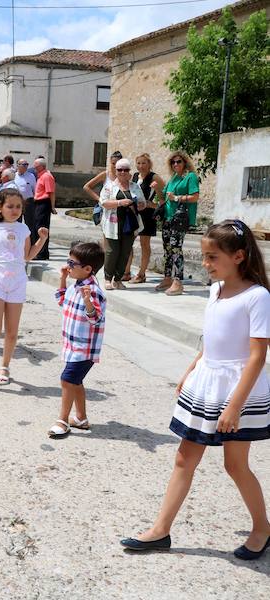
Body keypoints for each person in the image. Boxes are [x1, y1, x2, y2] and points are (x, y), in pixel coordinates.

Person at [121, 220, 270, 560]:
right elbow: (211, 339)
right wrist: (191, 369)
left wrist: (234, 406)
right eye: (203, 256)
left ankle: (262, 528)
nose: (205, 264)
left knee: (235, 465)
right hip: (207, 381)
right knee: (184, 458)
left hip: (238, 389)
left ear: (239, 256)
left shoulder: (257, 296)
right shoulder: (216, 290)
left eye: (212, 257)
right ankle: (160, 531)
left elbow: (258, 355)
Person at [0, 189, 50, 394]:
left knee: (12, 331)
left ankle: (4, 367)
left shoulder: (24, 229)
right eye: (10, 206)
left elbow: (28, 256)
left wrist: (41, 239)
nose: (14, 210)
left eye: (18, 207)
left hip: (17, 281)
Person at [48, 242, 107, 439]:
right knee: (76, 381)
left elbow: (95, 318)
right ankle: (81, 418)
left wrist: (88, 300)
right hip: (72, 346)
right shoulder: (77, 286)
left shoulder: (92, 291)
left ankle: (62, 421)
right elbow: (62, 300)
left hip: (84, 349)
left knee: (67, 380)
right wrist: (63, 279)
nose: (68, 266)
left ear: (88, 269)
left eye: (71, 263)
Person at [156, 151, 200, 296]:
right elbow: (164, 196)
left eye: (179, 161)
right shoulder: (173, 178)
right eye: (173, 162)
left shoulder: (190, 177)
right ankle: (167, 278)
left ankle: (178, 282)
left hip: (180, 219)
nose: (176, 164)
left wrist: (177, 198)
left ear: (185, 162)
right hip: (168, 218)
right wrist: (156, 189)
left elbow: (195, 197)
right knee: (167, 249)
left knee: (176, 249)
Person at [99, 158, 145, 290]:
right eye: (120, 170)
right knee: (112, 251)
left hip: (129, 223)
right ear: (116, 171)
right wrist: (120, 203)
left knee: (125, 252)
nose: (123, 172)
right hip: (113, 223)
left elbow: (143, 204)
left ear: (129, 171)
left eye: (126, 170)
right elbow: (104, 203)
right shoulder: (109, 186)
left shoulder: (135, 186)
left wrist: (138, 205)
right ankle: (108, 279)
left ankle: (118, 279)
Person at [129, 153, 165, 284]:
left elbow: (164, 199)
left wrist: (152, 204)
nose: (141, 166)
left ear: (149, 164)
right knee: (129, 242)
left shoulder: (154, 177)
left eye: (144, 163)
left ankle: (141, 274)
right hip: (134, 214)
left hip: (148, 215)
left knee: (144, 244)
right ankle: (126, 272)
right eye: (138, 163)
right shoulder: (134, 176)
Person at [31, 158, 56, 260]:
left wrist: (52, 207)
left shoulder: (47, 176)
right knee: (38, 227)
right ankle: (42, 252)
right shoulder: (41, 176)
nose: (34, 168)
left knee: (42, 228)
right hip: (38, 203)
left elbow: (51, 192)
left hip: (44, 203)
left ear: (41, 166)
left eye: (36, 165)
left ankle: (41, 253)